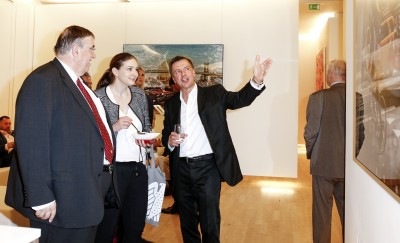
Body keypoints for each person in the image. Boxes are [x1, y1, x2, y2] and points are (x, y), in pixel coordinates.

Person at [5, 25, 117, 243]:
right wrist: (40, 198)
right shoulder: (42, 80)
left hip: (84, 193)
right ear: (76, 49)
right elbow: (31, 142)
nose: (94, 55)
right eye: (92, 48)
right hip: (60, 201)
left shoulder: (79, 85)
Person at [162, 55, 273, 243]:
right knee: (187, 222)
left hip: (207, 168)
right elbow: (166, 133)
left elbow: (239, 99)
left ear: (194, 71)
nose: (183, 74)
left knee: (210, 221)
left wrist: (256, 80)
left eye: (186, 69)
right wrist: (169, 141)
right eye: (178, 71)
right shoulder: (171, 103)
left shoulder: (214, 93)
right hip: (180, 169)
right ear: (173, 78)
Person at [94, 52, 152, 243]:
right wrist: (115, 128)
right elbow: (90, 137)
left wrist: (147, 141)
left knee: (134, 228)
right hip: (111, 171)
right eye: (129, 68)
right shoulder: (98, 98)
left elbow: (147, 127)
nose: (135, 73)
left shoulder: (140, 95)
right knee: (107, 228)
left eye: (136, 69)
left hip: (138, 169)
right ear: (115, 71)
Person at [304, 59, 363, 243]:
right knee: (349, 218)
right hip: (347, 168)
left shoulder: (317, 97)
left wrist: (312, 154)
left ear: (331, 74)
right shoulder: (357, 97)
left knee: (322, 218)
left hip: (323, 166)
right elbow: (361, 135)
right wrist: (352, 158)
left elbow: (310, 133)